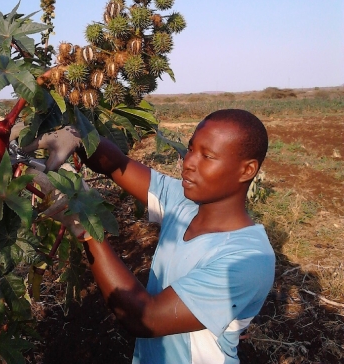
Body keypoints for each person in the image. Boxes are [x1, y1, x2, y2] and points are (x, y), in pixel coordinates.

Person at [24, 108, 275, 364]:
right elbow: (118, 165)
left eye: (207, 156)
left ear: (247, 170)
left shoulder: (247, 260)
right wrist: (77, 139)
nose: (188, 163)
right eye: (190, 149)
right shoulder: (184, 202)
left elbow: (146, 318)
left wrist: (86, 226)